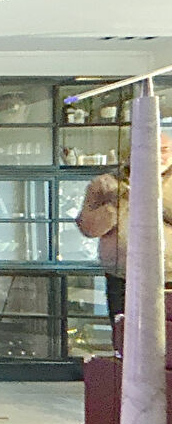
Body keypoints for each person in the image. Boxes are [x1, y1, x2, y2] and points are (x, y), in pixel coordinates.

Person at [75, 131, 172, 325]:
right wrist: (117, 203)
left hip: (169, 277)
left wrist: (153, 196)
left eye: (164, 150)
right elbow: (88, 228)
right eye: (151, 150)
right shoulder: (104, 184)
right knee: (124, 333)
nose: (159, 156)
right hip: (122, 278)